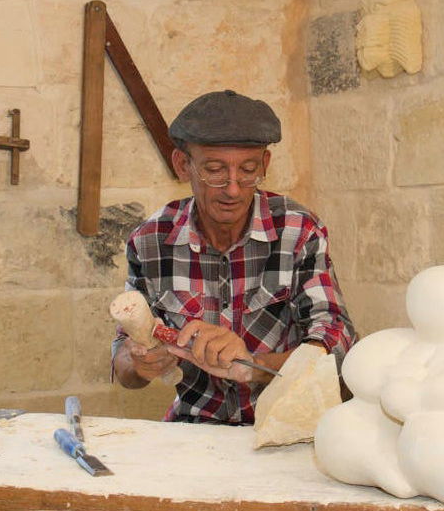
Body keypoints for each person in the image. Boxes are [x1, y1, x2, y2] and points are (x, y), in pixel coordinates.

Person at [111, 90, 357, 424]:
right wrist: (138, 361)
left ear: (265, 165)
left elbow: (337, 342)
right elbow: (123, 365)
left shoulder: (298, 229)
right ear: (183, 165)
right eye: (214, 170)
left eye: (248, 170)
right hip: (195, 428)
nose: (233, 188)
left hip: (285, 427)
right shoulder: (151, 240)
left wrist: (253, 366)